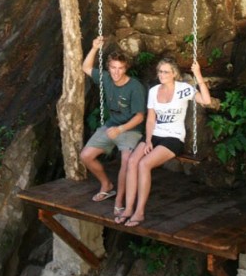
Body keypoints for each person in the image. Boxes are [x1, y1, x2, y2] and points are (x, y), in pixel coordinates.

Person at [117, 56, 211, 227]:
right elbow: (151, 119)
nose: (162, 74)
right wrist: (147, 140)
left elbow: (206, 101)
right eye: (160, 71)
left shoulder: (184, 89)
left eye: (166, 72)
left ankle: (140, 212)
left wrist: (198, 75)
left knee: (144, 164)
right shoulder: (154, 91)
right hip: (154, 135)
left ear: (174, 74)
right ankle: (129, 208)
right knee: (132, 161)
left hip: (173, 137)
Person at [80, 36, 146, 214]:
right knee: (86, 156)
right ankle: (107, 185)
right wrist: (94, 48)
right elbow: (86, 67)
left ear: (126, 69)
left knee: (126, 161)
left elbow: (140, 117)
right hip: (111, 125)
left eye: (120, 68)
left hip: (131, 129)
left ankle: (119, 200)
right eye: (113, 68)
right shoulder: (106, 78)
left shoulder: (135, 87)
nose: (116, 72)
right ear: (109, 68)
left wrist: (121, 129)